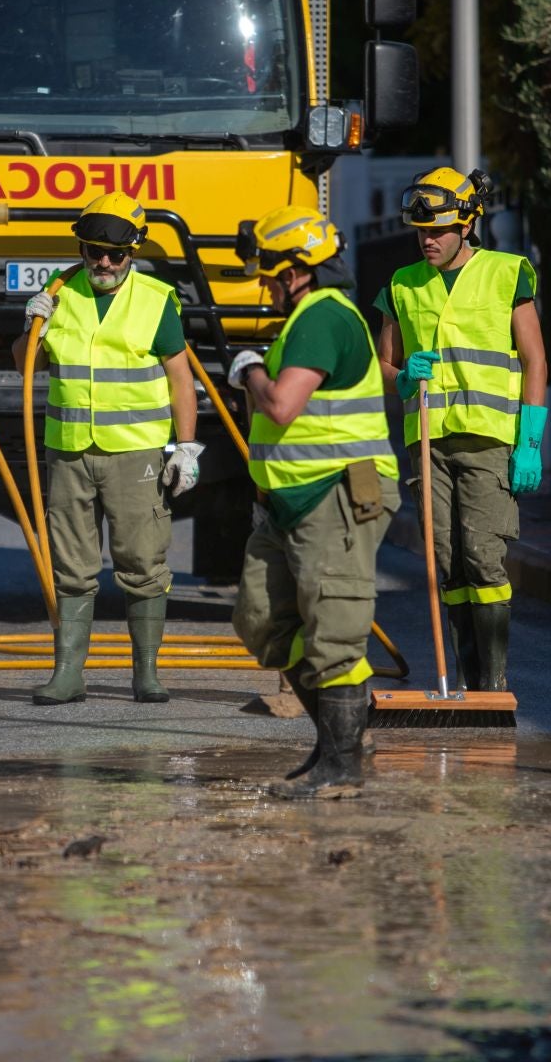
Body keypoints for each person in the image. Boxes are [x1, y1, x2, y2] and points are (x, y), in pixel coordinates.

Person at [227, 205, 399, 799]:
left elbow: (281, 406)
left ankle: (342, 761)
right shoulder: (306, 319)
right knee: (261, 618)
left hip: (336, 496)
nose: (266, 286)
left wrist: (249, 369)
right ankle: (335, 745)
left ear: (298, 271)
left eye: (271, 275)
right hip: (290, 501)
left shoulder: (324, 317)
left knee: (334, 632)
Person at [13, 193, 201, 706]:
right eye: (94, 251)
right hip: (70, 450)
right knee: (70, 565)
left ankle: (146, 674)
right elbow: (24, 362)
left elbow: (180, 379)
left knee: (142, 562)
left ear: (132, 252)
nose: (104, 262)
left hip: (135, 453)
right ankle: (68, 674)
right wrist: (32, 326)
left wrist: (186, 448)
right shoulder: (59, 294)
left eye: (115, 254)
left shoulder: (156, 299)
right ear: (81, 248)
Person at [373, 167, 548, 695]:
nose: (428, 240)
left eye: (439, 231)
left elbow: (535, 361)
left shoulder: (507, 273)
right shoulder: (401, 285)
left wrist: (530, 443)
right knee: (446, 562)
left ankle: (492, 685)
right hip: (428, 443)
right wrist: (404, 377)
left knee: (483, 559)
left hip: (490, 442)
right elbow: (384, 365)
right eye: (421, 232)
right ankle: (467, 685)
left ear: (467, 225)